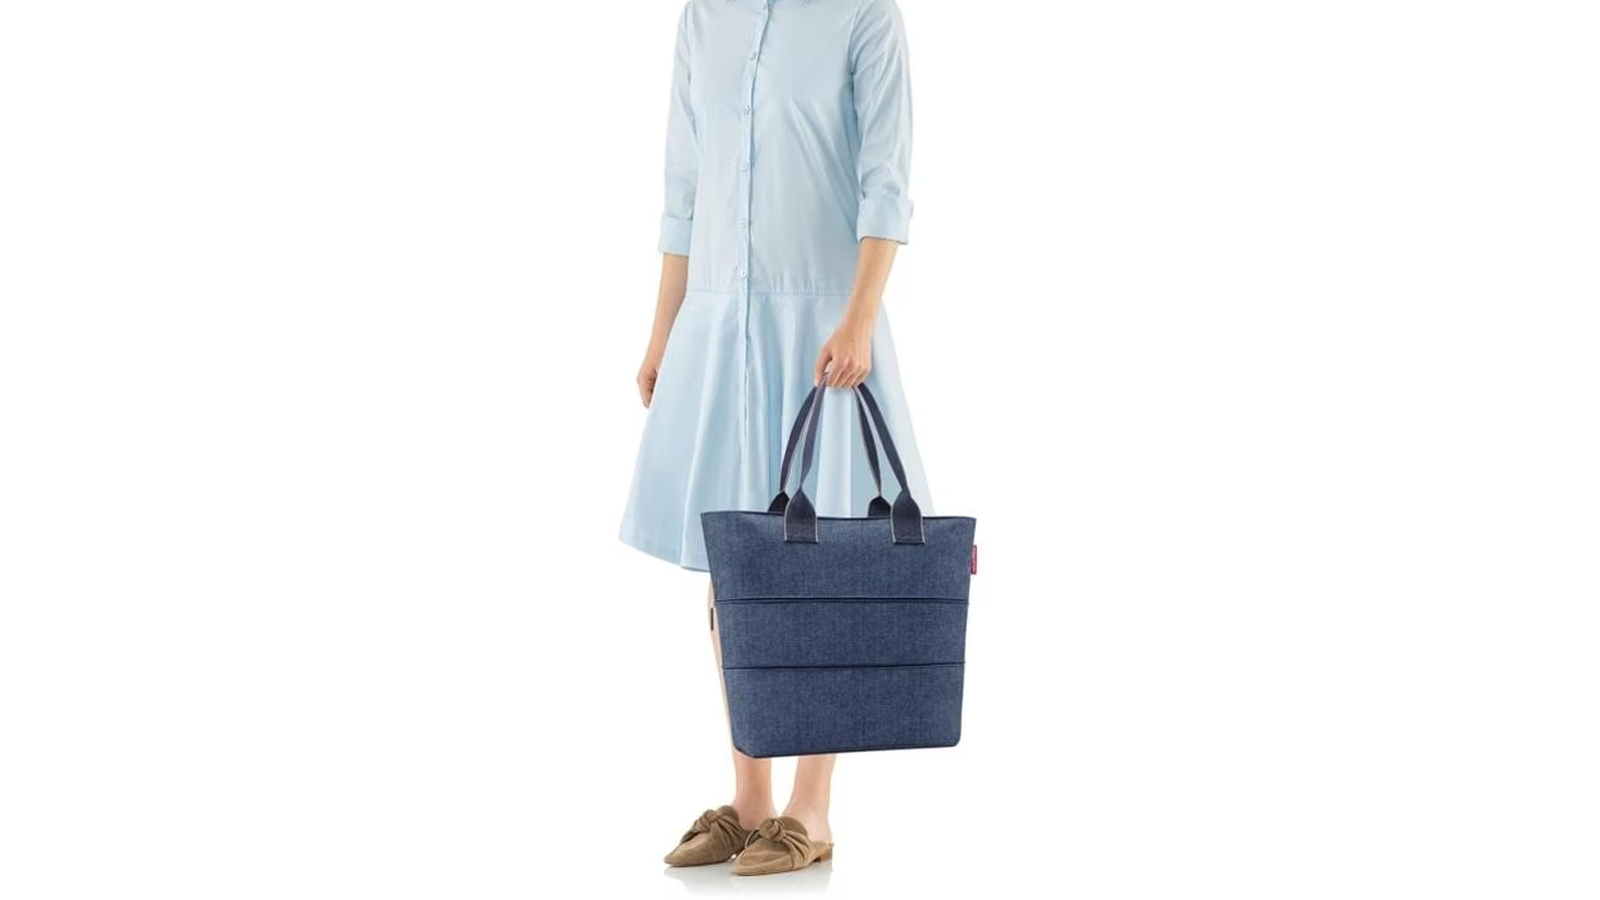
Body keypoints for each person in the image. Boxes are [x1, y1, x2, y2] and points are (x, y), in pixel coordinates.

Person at [617, 0, 933, 876]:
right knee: (736, 569)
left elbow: (885, 181)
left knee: (821, 568)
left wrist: (860, 317)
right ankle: (751, 800)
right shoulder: (704, 16)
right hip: (717, 329)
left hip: (821, 331)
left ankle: (812, 808)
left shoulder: (863, 15)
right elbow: (685, 187)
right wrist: (663, 331)